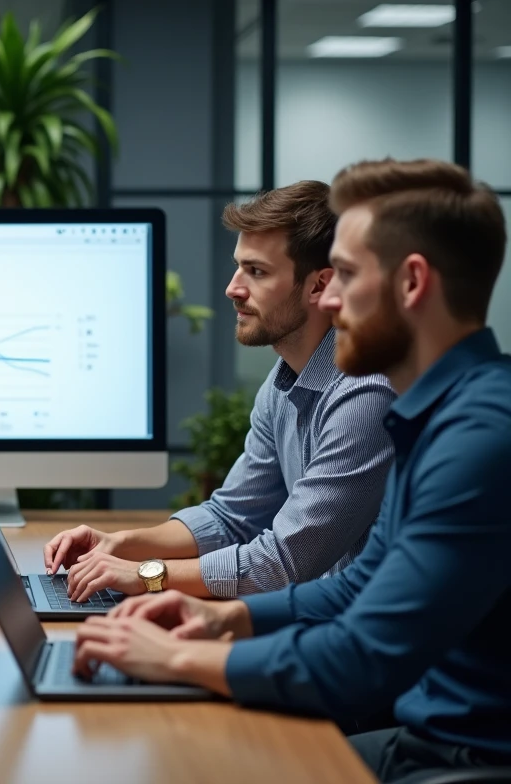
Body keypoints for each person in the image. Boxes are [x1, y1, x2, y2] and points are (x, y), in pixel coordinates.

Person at [72, 158, 511, 783]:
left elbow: (363, 655)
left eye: (348, 276)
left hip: (462, 756)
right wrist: (225, 617)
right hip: (426, 736)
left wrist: (175, 658)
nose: (327, 298)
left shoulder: (479, 437)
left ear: (412, 284)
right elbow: (355, 586)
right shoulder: (437, 414)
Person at [44, 180, 396, 602]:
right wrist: (119, 544)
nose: (233, 288)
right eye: (238, 266)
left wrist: (146, 574)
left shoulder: (366, 395)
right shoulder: (284, 381)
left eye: (257, 272)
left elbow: (281, 563)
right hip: (319, 625)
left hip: (369, 649)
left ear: (320, 285)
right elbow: (232, 517)